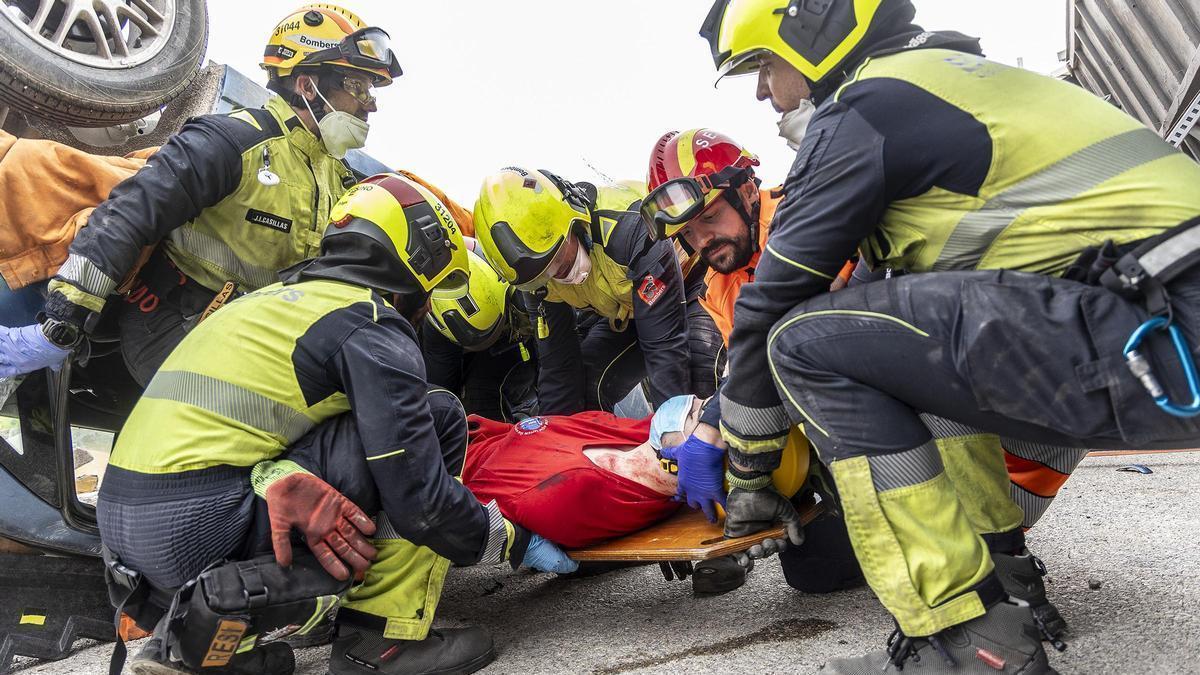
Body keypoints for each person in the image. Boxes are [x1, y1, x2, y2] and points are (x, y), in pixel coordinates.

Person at [699, 0, 1200, 671]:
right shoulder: (938, 84)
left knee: (801, 343)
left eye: (764, 64)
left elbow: (772, 308)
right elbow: (872, 315)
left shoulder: (866, 109)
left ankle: (966, 641)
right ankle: (1002, 587)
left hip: (1162, 333)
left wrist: (749, 471)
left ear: (809, 32)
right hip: (1153, 327)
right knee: (895, 350)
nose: (764, 90)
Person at [96, 173, 575, 675]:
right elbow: (421, 504)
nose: (426, 306)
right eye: (432, 288)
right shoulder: (368, 324)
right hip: (199, 530)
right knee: (437, 415)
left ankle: (202, 639)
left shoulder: (262, 302)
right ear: (419, 261)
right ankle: (380, 641)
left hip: (126, 547)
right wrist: (510, 539)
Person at [0, 4, 399, 386]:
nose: (372, 106)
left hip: (251, 338)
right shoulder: (232, 140)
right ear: (307, 86)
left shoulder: (336, 179)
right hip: (173, 325)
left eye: (371, 90)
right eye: (357, 86)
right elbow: (128, 215)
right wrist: (62, 323)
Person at [643, 127, 865, 596]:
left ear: (746, 190)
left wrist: (711, 429)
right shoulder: (718, 285)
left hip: (889, 386)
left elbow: (789, 330)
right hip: (827, 416)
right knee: (819, 576)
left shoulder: (800, 213)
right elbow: (748, 380)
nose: (702, 240)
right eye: (688, 233)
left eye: (710, 218)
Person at [473, 167, 692, 415]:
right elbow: (558, 365)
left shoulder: (629, 230)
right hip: (625, 311)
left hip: (688, 286)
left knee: (698, 372)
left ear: (572, 221)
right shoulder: (539, 283)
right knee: (590, 385)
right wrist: (557, 433)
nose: (557, 275)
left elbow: (665, 347)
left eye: (557, 260)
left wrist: (672, 426)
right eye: (543, 274)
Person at [422, 245, 539, 421]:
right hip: (452, 351)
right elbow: (442, 393)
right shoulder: (436, 327)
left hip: (517, 328)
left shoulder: (516, 274)